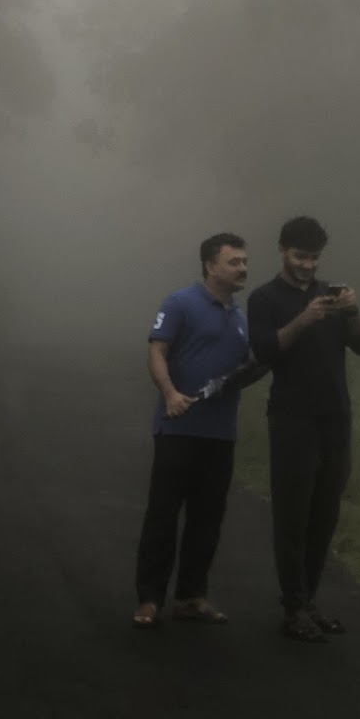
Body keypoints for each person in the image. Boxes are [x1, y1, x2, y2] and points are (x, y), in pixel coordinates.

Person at [244, 215, 360, 643]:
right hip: (292, 417)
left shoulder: (329, 296)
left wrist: (352, 312)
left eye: (315, 258)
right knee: (292, 513)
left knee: (325, 511)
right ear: (282, 250)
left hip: (335, 417)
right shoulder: (265, 298)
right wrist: (302, 320)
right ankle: (292, 604)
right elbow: (264, 350)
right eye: (300, 256)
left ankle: (310, 599)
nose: (308, 266)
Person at [132, 232, 250, 628]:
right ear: (210, 265)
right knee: (163, 515)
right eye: (234, 262)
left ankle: (191, 596)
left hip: (220, 434)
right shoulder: (180, 302)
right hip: (178, 427)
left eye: (244, 262)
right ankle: (150, 598)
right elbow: (156, 350)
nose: (242, 268)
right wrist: (170, 394)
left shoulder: (241, 319)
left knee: (208, 518)